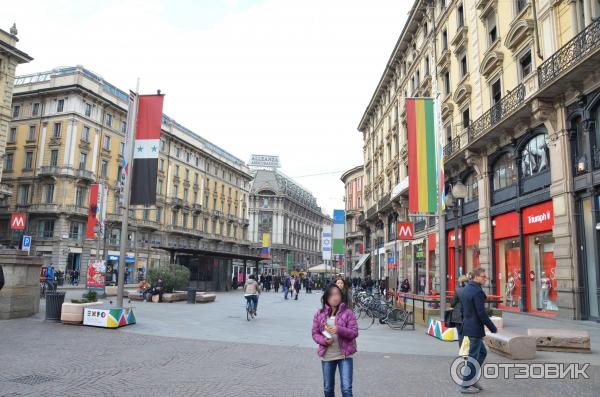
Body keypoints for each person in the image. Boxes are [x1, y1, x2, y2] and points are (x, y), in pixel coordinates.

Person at [312, 284, 359, 397]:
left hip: (345, 356)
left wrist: (339, 329)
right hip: (328, 355)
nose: (335, 297)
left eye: (337, 294)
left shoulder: (348, 313)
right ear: (326, 297)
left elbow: (354, 332)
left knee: (346, 388)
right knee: (328, 388)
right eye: (332, 295)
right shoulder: (320, 313)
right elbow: (315, 333)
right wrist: (324, 341)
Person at [459, 268, 498, 394]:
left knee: (482, 353)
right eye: (483, 276)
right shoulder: (477, 292)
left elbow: (462, 310)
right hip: (474, 328)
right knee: (473, 357)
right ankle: (465, 384)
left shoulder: (466, 289)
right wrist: (492, 327)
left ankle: (471, 379)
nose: (485, 278)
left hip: (468, 326)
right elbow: (482, 313)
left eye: (485, 276)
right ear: (476, 277)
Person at [450, 274, 470, 348]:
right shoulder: (470, 290)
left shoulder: (457, 290)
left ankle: (462, 351)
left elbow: (452, 303)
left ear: (460, 282)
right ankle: (468, 349)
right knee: (468, 334)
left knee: (460, 334)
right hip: (468, 315)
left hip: (458, 316)